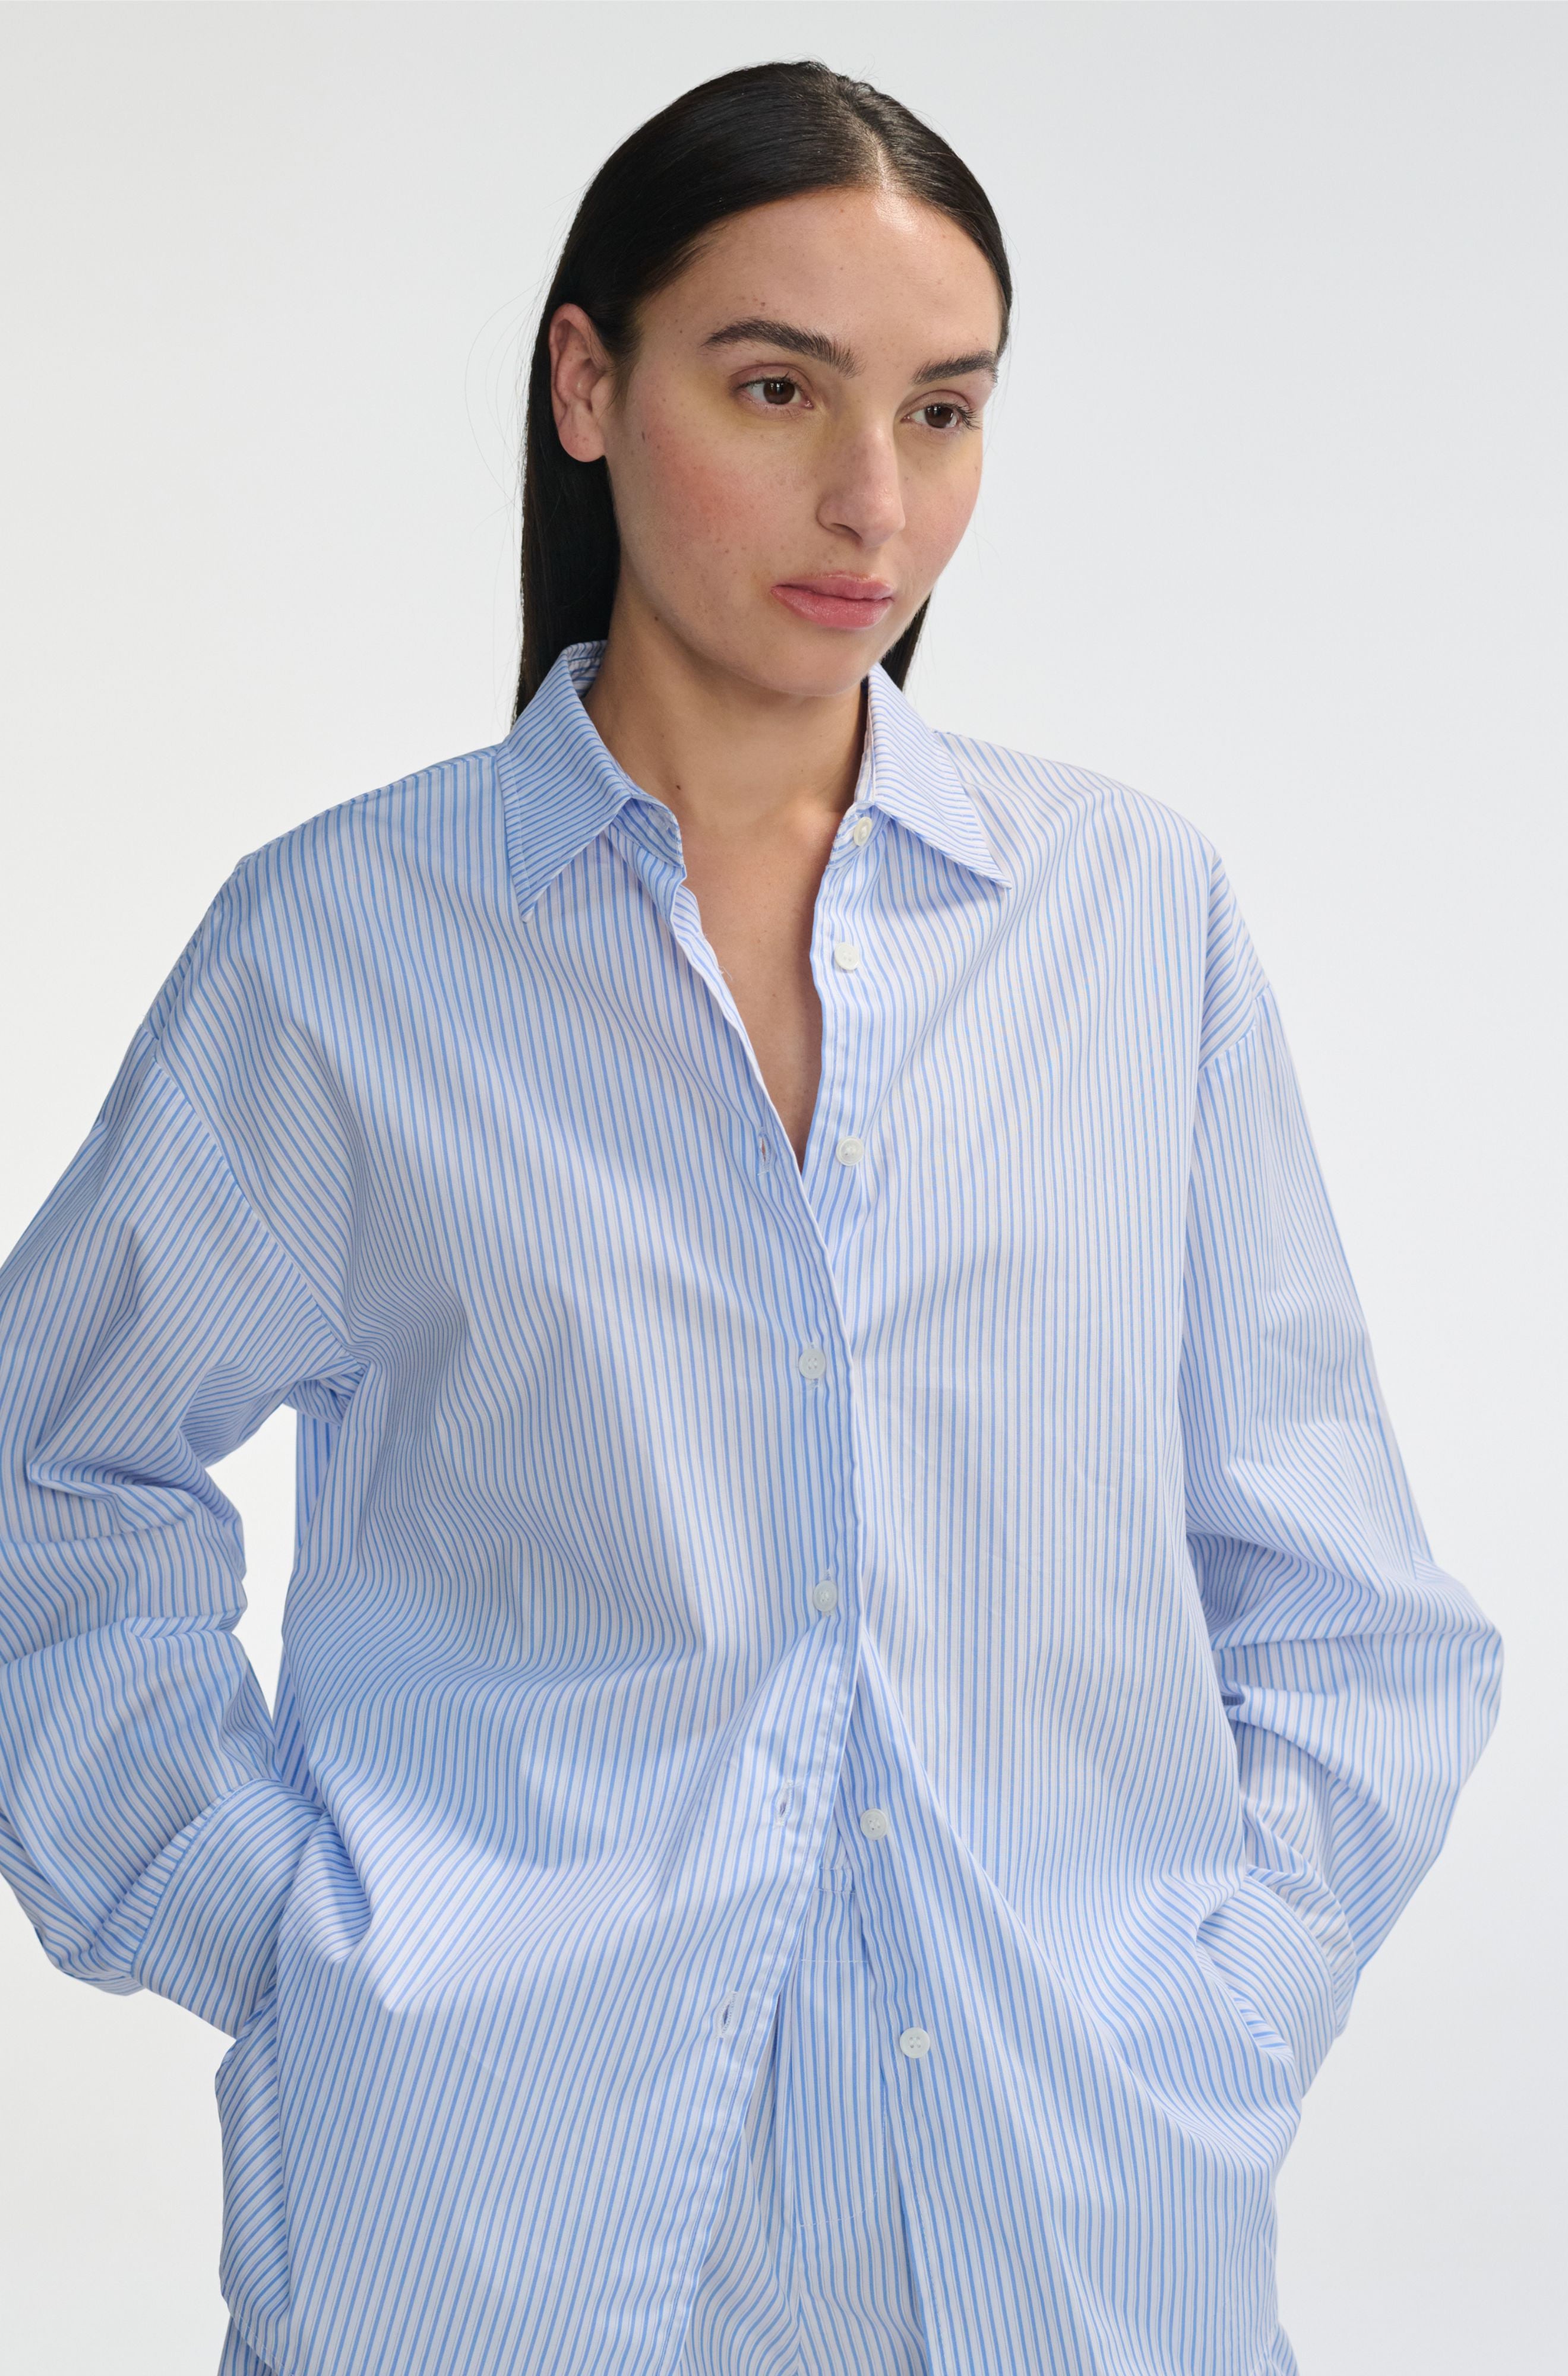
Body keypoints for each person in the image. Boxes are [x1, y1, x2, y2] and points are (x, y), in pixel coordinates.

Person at [0, 58, 1501, 2376]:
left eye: (946, 411)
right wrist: (306, 1941)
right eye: (777, 386)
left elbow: (1349, 1605)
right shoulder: (343, 953)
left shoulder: (1130, 928)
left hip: (1068, 2254)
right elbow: (46, 1489)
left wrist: (1200, 2005)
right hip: (484, 2257)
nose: (868, 498)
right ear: (589, 384)